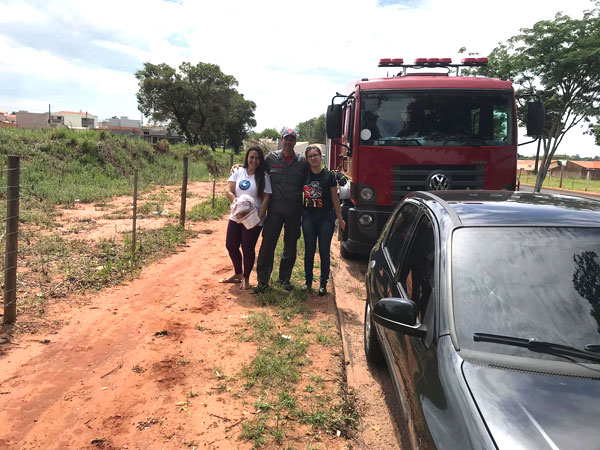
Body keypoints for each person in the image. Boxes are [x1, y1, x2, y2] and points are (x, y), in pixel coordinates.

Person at [254, 129, 308, 293]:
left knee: (290, 247)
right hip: (275, 210)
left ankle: (284, 279)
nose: (289, 142)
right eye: (286, 139)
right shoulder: (271, 158)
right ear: (281, 140)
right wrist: (238, 168)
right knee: (267, 245)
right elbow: (255, 168)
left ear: (295, 142)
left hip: (294, 211)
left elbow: (312, 178)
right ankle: (262, 281)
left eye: (292, 139)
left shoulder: (302, 161)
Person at [222, 146, 271, 289]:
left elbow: (266, 199)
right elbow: (229, 190)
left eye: (257, 158)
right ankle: (238, 273)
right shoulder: (238, 171)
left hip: (253, 218)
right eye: (251, 157)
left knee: (247, 247)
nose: (254, 160)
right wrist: (237, 204)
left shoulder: (264, 177)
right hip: (237, 216)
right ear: (247, 158)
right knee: (231, 245)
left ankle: (246, 277)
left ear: (260, 160)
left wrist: (258, 219)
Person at [301, 145, 345, 295]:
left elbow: (335, 197)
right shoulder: (304, 175)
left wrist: (340, 218)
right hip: (308, 216)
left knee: (324, 250)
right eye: (310, 156)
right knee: (309, 250)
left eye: (315, 155)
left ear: (321, 157)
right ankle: (307, 281)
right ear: (307, 159)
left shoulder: (329, 176)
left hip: (326, 216)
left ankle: (323, 283)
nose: (313, 158)